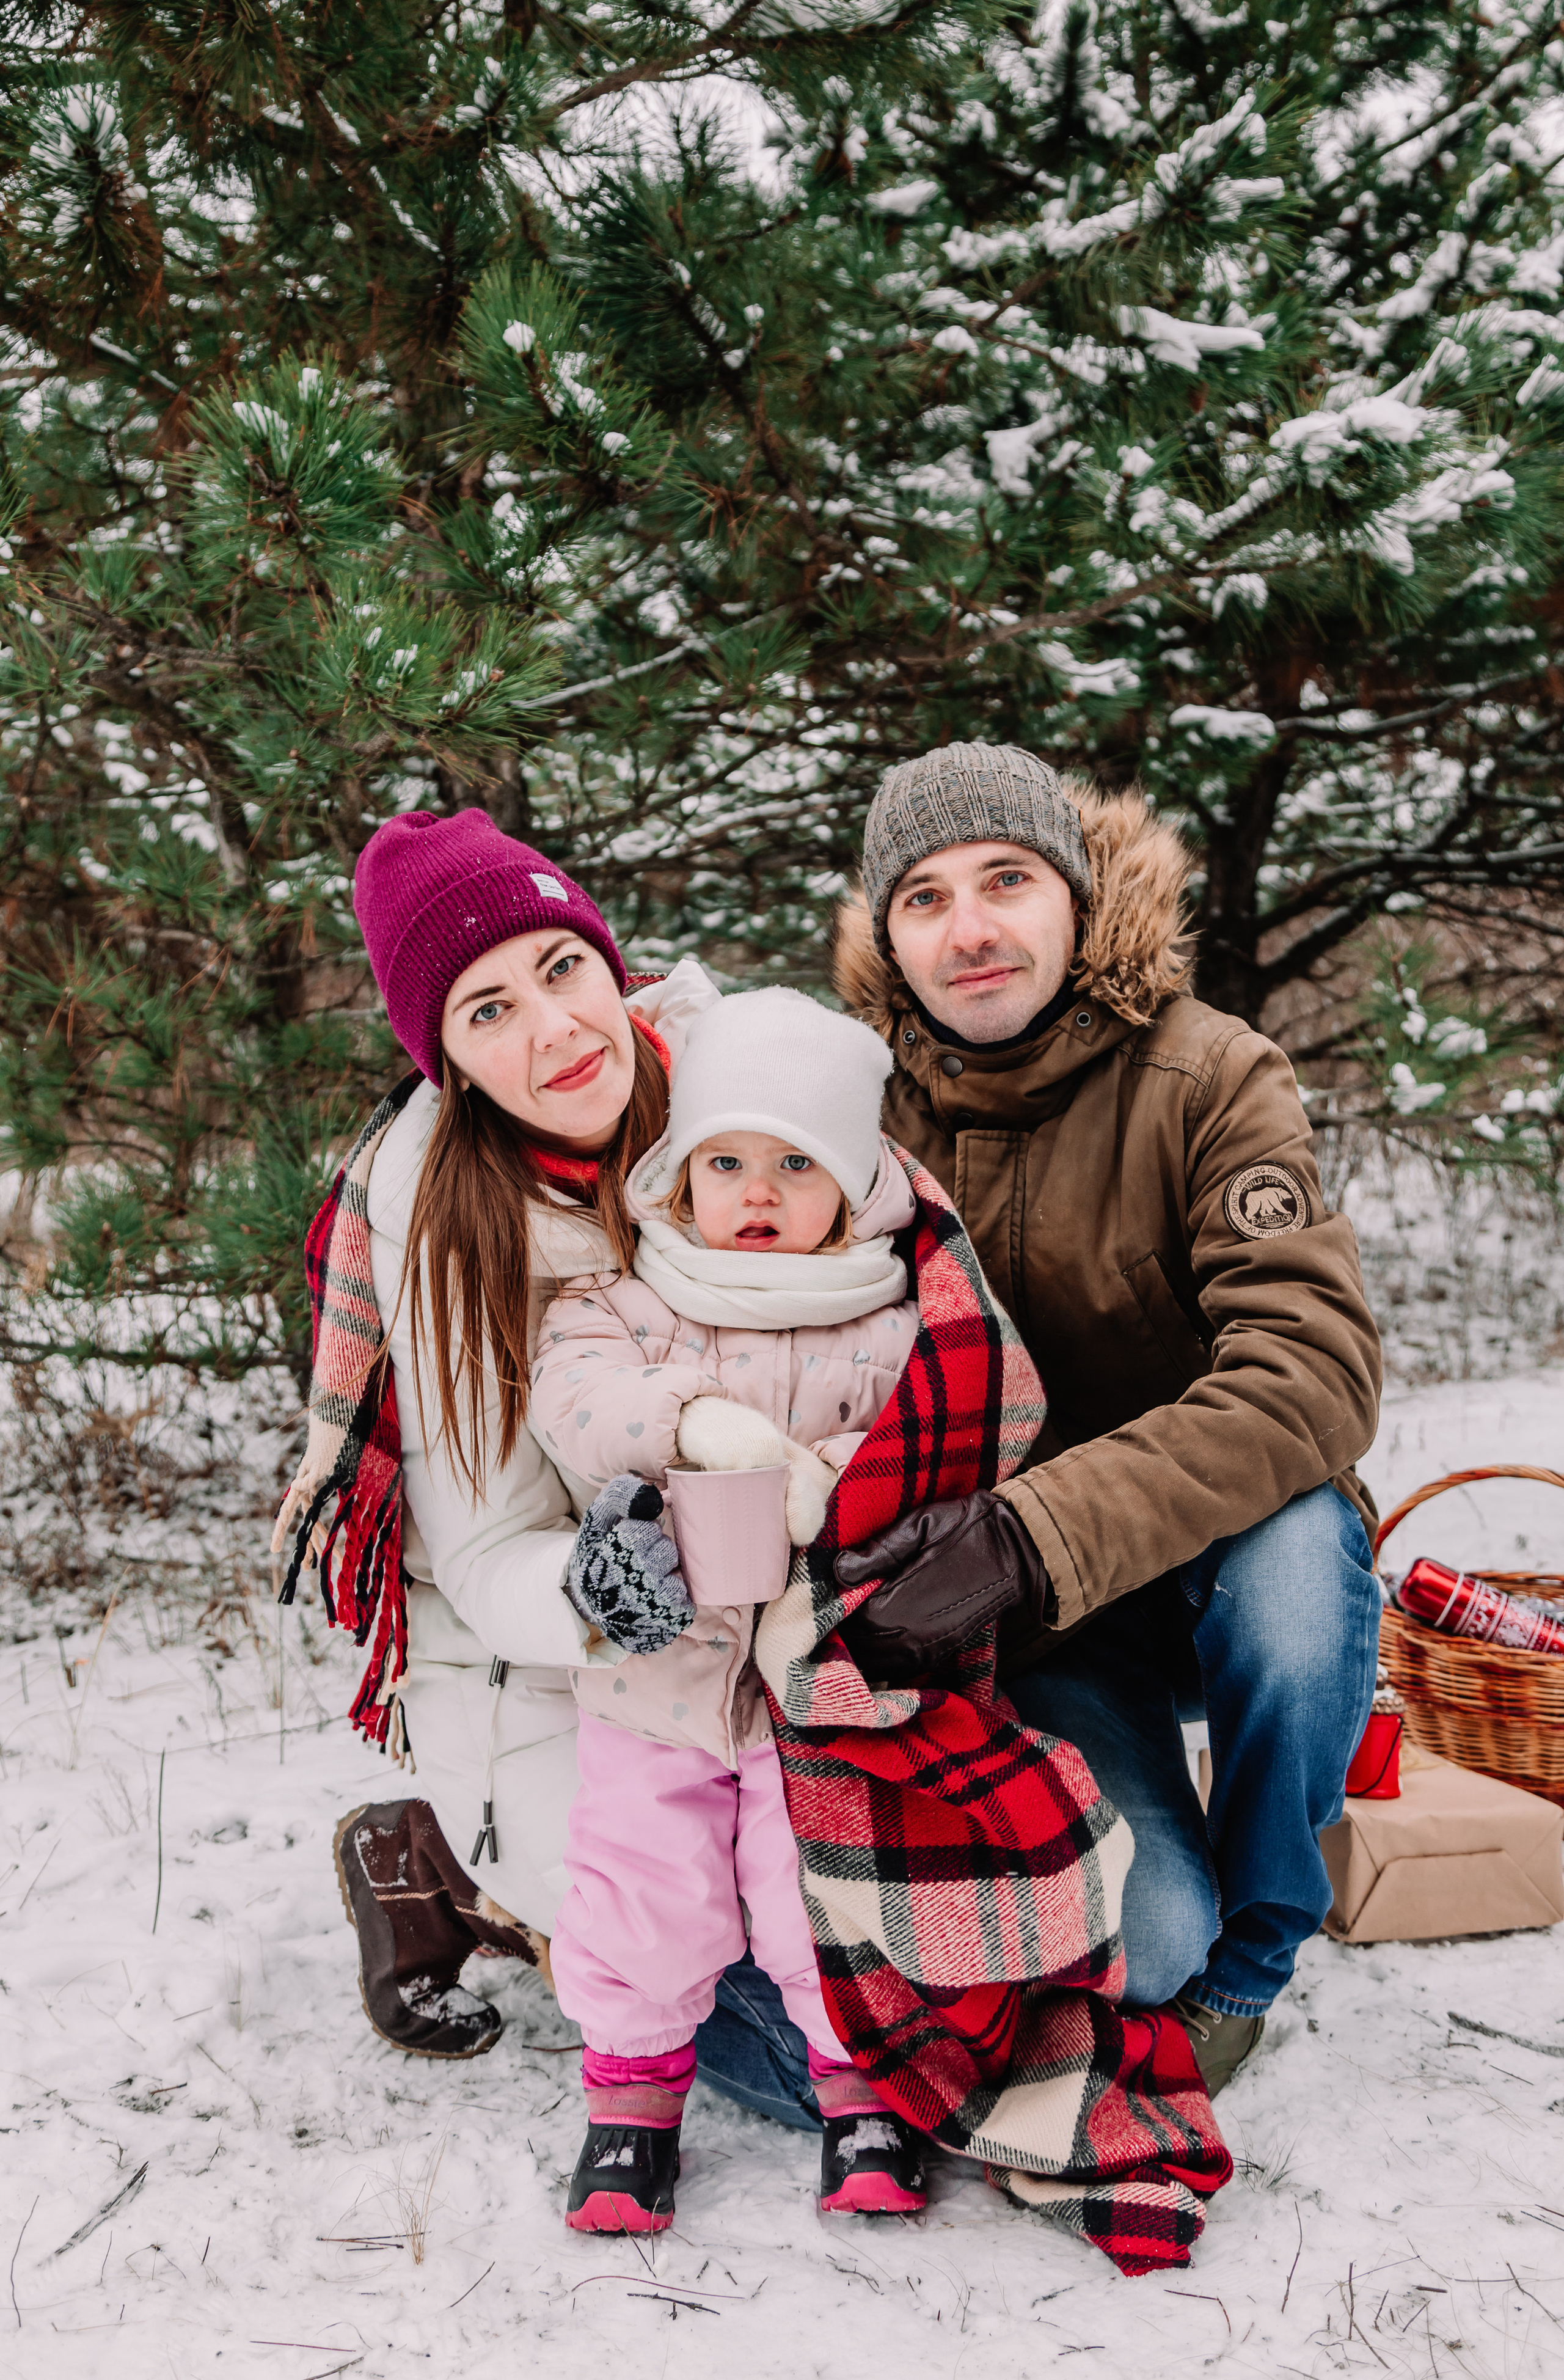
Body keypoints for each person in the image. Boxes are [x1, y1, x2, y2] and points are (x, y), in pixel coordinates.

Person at [825, 743, 1383, 2097]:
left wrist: (1034, 1529)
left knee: (1299, 1559)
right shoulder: (852, 1116)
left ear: (1074, 893)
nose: (968, 929)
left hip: (1199, 1575)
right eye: (923, 898)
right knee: (1146, 1938)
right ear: (886, 938)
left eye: (1004, 879)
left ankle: (1254, 1956)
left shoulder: (1206, 1077)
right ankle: (1177, 1903)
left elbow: (1312, 1369)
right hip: (1012, 1619)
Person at [272, 809, 834, 2129]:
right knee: (797, 2063)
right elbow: (476, 1559)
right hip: (561, 1670)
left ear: (606, 959)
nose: (552, 1031)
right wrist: (596, 1589)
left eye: (561, 969)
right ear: (447, 1056)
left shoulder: (739, 1100)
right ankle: (446, 1865)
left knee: (918, 1976)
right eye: (486, 1009)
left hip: (792, 1619)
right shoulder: (446, 1223)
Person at [530, 987, 929, 2230]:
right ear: (677, 1173)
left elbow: (942, 1449)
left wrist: (849, 1485)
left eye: (795, 1163)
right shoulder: (627, 1302)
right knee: (642, 1885)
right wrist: (688, 1419)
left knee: (822, 1883)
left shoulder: (890, 1316)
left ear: (853, 1185)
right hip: (660, 1678)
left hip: (825, 1684)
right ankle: (630, 2099)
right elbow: (576, 1402)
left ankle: (858, 2085)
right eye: (726, 1160)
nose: (755, 1192)